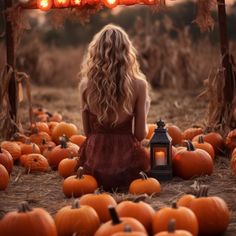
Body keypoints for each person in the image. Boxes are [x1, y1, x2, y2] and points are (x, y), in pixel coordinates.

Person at [78, 24, 150, 191]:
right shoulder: (139, 85)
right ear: (127, 53)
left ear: (95, 53)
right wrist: (145, 108)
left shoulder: (85, 86)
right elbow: (139, 136)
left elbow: (87, 133)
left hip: (93, 167)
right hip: (127, 167)